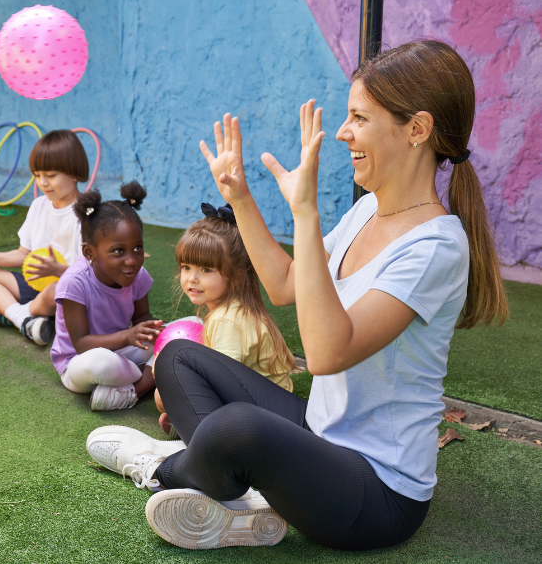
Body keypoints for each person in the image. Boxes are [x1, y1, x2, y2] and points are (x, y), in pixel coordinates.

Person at [86, 40, 508, 550]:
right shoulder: (367, 212)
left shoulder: (436, 246)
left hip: (377, 492)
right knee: (178, 358)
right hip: (320, 433)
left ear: (416, 129)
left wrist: (305, 213)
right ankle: (234, 497)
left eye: (359, 118)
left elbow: (327, 355)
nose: (345, 133)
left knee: (236, 427)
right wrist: (238, 196)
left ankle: (166, 468)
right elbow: (286, 285)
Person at [155, 205, 295, 439]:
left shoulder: (227, 321)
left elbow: (220, 385)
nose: (192, 278)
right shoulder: (237, 310)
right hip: (270, 409)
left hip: (266, 423)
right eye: (186, 267)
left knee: (165, 393)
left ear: (237, 274)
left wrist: (165, 382)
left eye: (206, 269)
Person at [0, 130, 88, 347]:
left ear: (74, 173)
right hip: (32, 284)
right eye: (37, 175)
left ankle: (10, 314)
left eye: (51, 175)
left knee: (55, 290)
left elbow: (89, 276)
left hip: (69, 291)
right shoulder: (39, 206)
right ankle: (25, 321)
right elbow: (23, 254)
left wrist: (56, 269)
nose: (43, 182)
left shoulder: (87, 214)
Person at [51, 181, 163, 411]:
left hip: (123, 349)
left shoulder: (138, 275)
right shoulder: (74, 282)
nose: (131, 260)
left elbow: (142, 316)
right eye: (118, 251)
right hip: (81, 363)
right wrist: (129, 337)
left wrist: (152, 332)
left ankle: (131, 391)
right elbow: (81, 344)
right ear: (89, 252)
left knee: (181, 334)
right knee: (103, 362)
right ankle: (147, 378)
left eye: (138, 248)